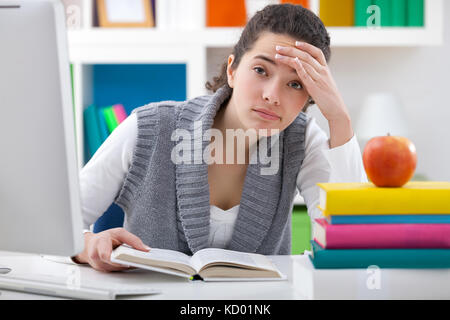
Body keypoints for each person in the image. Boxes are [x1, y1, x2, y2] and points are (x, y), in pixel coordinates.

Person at [72, 4, 367, 272]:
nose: (272, 95)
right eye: (261, 70)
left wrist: (339, 118)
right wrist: (88, 245)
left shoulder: (302, 140)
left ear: (309, 96)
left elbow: (353, 242)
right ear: (232, 69)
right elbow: (60, 228)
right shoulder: (149, 127)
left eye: (295, 83)